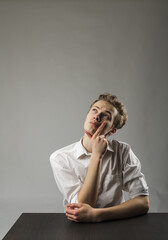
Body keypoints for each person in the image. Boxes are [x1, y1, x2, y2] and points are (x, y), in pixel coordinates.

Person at [50, 93, 149, 222]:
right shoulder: (60, 158)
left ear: (112, 130)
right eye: (94, 110)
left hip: (116, 223)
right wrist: (96, 156)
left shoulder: (123, 151)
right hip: (79, 227)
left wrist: (97, 215)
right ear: (87, 115)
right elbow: (83, 205)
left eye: (106, 116)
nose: (97, 116)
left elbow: (143, 202)